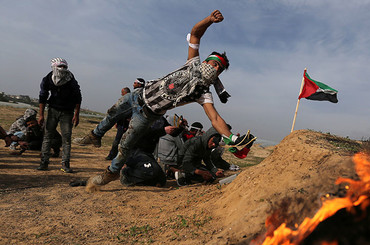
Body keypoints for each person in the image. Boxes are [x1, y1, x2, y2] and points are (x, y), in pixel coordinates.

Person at [81, 10, 255, 192]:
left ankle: (111, 173)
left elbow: (215, 119)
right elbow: (195, 33)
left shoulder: (203, 93)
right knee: (111, 114)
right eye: (214, 63)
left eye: (219, 68)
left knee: (125, 145)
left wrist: (233, 139)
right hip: (138, 95)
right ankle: (94, 136)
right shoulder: (192, 63)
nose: (215, 67)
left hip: (147, 115)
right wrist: (210, 20)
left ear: (218, 75)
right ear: (207, 61)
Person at [37, 58, 82, 173]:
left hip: (67, 112)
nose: (62, 69)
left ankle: (65, 165)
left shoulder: (70, 80)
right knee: (47, 136)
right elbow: (43, 96)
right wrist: (41, 115)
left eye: (64, 67)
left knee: (66, 138)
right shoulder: (48, 79)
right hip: (52, 110)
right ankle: (44, 163)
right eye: (60, 67)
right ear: (53, 67)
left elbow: (78, 97)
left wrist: (76, 114)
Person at [105, 87, 131, 160]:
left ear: (126, 93)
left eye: (122, 92)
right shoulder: (123, 101)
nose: (121, 94)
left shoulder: (130, 102)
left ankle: (117, 156)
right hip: (121, 124)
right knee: (117, 141)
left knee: (122, 141)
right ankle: (112, 155)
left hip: (126, 124)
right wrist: (117, 122)